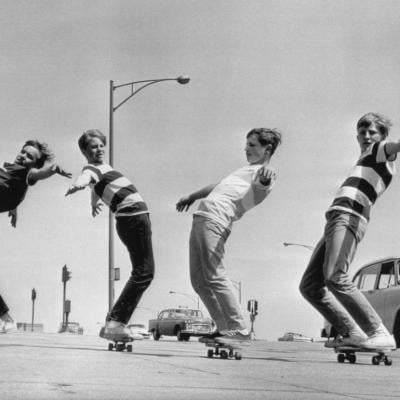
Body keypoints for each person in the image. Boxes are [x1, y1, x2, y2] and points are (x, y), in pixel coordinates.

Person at [300, 112, 400, 350]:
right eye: (362, 132)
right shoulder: (366, 158)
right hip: (335, 217)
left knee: (336, 275)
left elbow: (394, 147)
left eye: (372, 132)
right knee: (310, 286)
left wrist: (387, 144)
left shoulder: (379, 151)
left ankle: (379, 332)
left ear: (382, 136)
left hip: (350, 216)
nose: (366, 136)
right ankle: (352, 331)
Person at [176, 128, 282, 343]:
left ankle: (239, 328)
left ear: (267, 148)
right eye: (247, 144)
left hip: (215, 219)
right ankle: (224, 328)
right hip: (202, 217)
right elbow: (218, 186)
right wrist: (192, 196)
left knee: (214, 274)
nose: (246, 149)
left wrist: (264, 177)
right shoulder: (245, 170)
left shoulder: (262, 174)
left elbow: (261, 185)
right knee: (198, 281)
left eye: (252, 145)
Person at [66, 129, 154, 339]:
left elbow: (96, 189)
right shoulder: (91, 169)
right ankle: (116, 322)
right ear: (85, 152)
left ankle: (113, 321)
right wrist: (79, 184)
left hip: (131, 219)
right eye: (94, 147)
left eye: (101, 145)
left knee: (141, 271)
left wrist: (93, 204)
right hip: (133, 217)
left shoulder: (104, 170)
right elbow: (87, 177)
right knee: (144, 272)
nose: (99, 149)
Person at [0, 140, 71, 333]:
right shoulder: (12, 171)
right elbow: (8, 189)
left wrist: (53, 169)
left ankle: (6, 318)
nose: (23, 156)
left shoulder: (28, 173)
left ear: (34, 164)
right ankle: (5, 317)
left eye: (29, 157)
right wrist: (14, 208)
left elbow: (40, 174)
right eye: (23, 152)